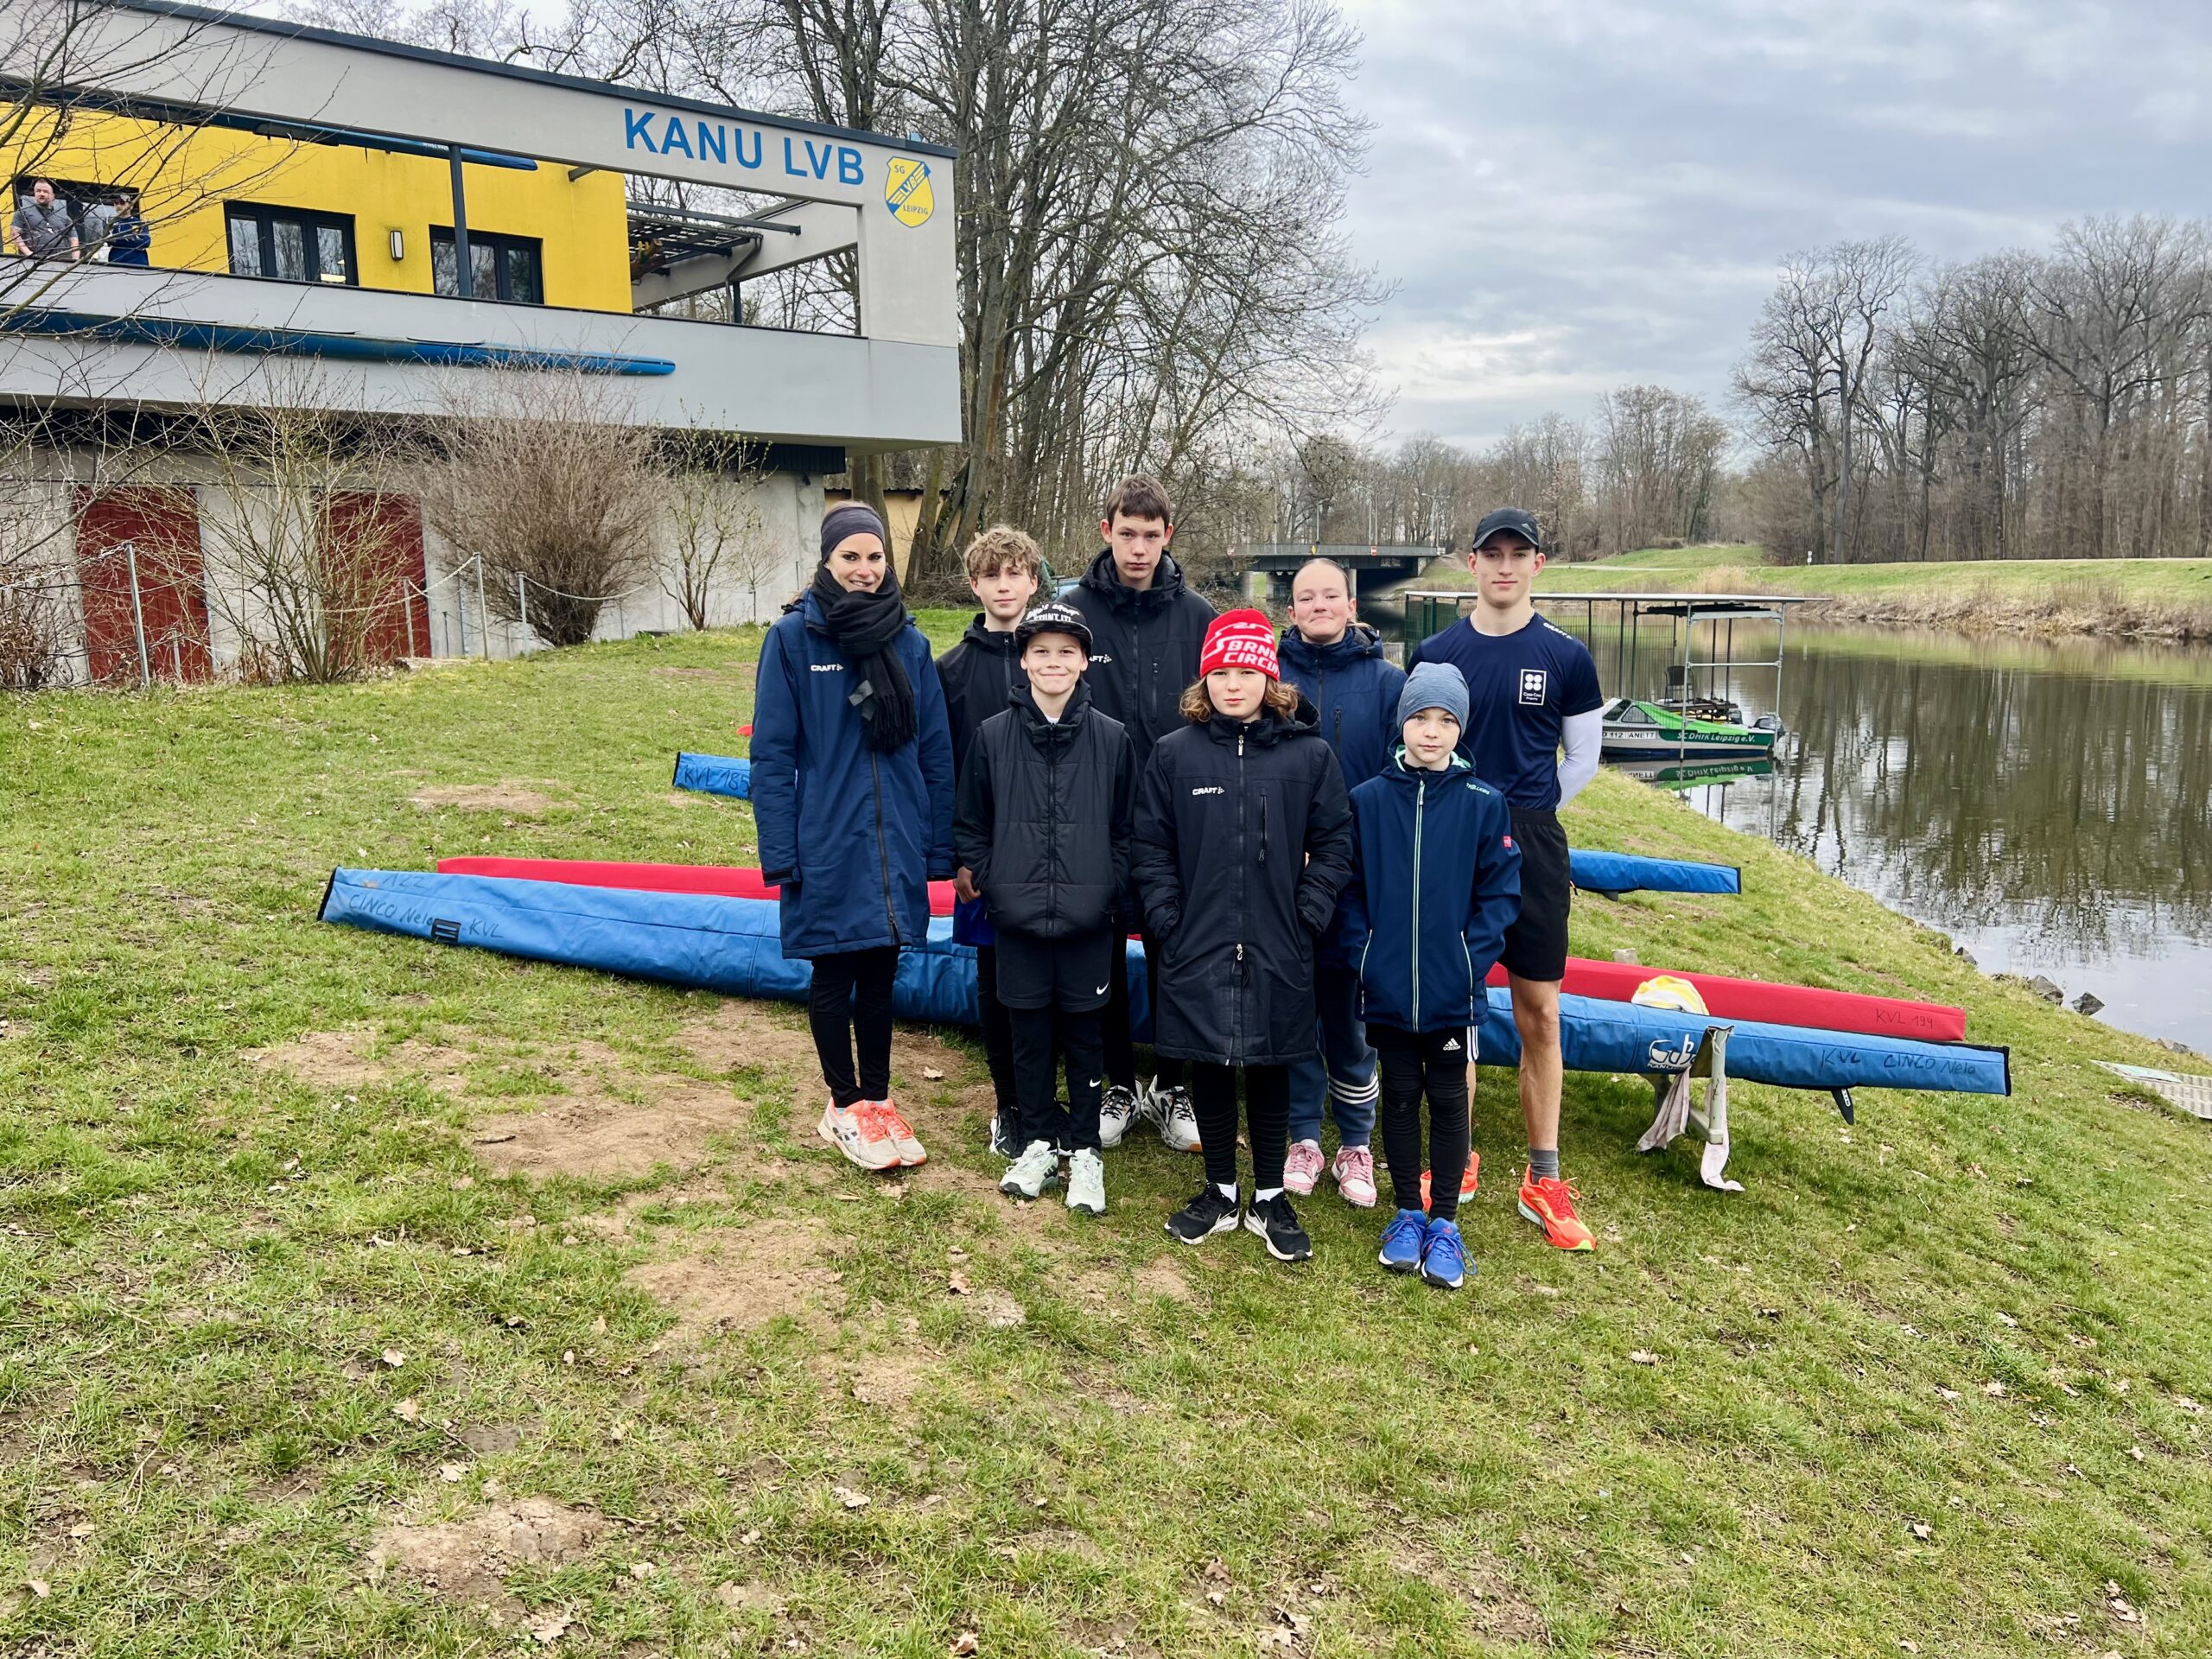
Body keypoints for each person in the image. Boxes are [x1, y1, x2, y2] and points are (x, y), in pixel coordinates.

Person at [1407, 506, 1604, 1251]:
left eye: (1519, 555)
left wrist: (1534, 812)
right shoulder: (1437, 652)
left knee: (1538, 1012)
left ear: (1538, 566)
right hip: (1454, 838)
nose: (1505, 567)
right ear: (1472, 564)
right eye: (1492, 554)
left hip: (1532, 841)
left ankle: (1543, 1174)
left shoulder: (1565, 655)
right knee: (1455, 1003)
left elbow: (1582, 757)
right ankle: (1455, 1160)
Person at [1135, 610, 1354, 1262]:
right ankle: (1220, 1189)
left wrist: (1308, 912)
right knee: (1208, 1059)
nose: (1234, 684)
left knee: (1269, 1062)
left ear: (1270, 676)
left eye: (1248, 671)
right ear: (1205, 678)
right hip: (1195, 939)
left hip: (1279, 941)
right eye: (1222, 672)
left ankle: (1267, 1197)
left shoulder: (1309, 756)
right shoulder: (1174, 754)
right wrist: (1167, 918)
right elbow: (1150, 845)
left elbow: (1336, 843)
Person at [752, 503, 955, 1172]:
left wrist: (937, 848)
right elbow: (773, 756)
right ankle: (841, 1106)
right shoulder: (792, 640)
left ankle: (877, 1101)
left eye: (875, 558)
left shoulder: (913, 644)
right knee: (834, 970)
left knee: (881, 972)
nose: (865, 571)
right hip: (826, 839)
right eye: (851, 558)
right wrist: (781, 851)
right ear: (827, 562)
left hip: (895, 836)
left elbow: (935, 754)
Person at [1338, 664, 1521, 1289]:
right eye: (1421, 718)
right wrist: (1364, 953)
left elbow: (1500, 895)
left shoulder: (1482, 804)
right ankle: (1406, 1214)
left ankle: (1444, 1221)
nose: (1432, 732)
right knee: (1399, 1096)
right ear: (1403, 723)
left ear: (1460, 729)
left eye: (1446, 721)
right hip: (1386, 987)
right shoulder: (1367, 800)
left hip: (1452, 993)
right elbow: (1351, 889)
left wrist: (1471, 960)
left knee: (1448, 1101)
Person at [954, 601, 1135, 1217]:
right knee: (1028, 1035)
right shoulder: (993, 736)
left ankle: (1084, 1150)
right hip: (1018, 919)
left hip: (1088, 920)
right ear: (1023, 659)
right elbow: (971, 820)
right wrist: (988, 877)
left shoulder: (1113, 738)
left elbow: (1126, 827)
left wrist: (1111, 883)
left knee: (1084, 1036)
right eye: (1041, 652)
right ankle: (1035, 1141)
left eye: (1066, 652)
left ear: (1084, 662)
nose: (1053, 662)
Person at [1065, 475, 1216, 1153]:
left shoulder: (1197, 616)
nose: (1139, 547)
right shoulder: (1072, 611)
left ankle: (1172, 1083)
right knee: (1100, 946)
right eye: (1127, 533)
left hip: (1177, 816)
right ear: (1106, 531)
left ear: (1168, 537)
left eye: (1152, 536)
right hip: (1096, 813)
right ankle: (1117, 1082)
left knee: (1174, 945)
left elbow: (1221, 709)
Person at [1275, 556, 1403, 1209]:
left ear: (1352, 605)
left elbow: (1397, 781)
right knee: (1296, 1005)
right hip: (1281, 877)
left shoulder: (1387, 682)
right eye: (1307, 596)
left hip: (1357, 878)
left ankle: (1356, 1138)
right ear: (1291, 609)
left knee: (1350, 1014)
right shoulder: (1271, 676)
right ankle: (1303, 1134)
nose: (1320, 605)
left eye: (1332, 595)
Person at [937, 525, 1043, 1155]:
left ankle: (1043, 1097)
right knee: (996, 981)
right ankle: (1008, 1103)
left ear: (1033, 580)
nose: (1005, 586)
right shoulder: (951, 670)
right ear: (974, 584)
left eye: (1016, 574)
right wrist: (958, 856)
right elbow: (941, 767)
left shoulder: (1057, 656)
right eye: (992, 575)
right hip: (984, 856)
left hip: (1053, 853)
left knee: (1049, 978)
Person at [10, 180, 79, 261]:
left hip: (62, 260)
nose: (41, 194)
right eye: (38, 191)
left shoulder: (64, 217)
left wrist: (75, 259)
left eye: (45, 191)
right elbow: (14, 234)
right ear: (34, 194)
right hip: (34, 261)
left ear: (53, 196)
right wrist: (29, 254)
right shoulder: (23, 212)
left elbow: (74, 240)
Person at [99, 191, 149, 267]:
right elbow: (106, 240)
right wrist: (131, 238)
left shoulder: (140, 223)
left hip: (138, 263)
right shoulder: (111, 224)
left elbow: (145, 242)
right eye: (116, 203)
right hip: (116, 262)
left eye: (122, 203)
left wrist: (117, 240)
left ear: (131, 205)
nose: (118, 206)